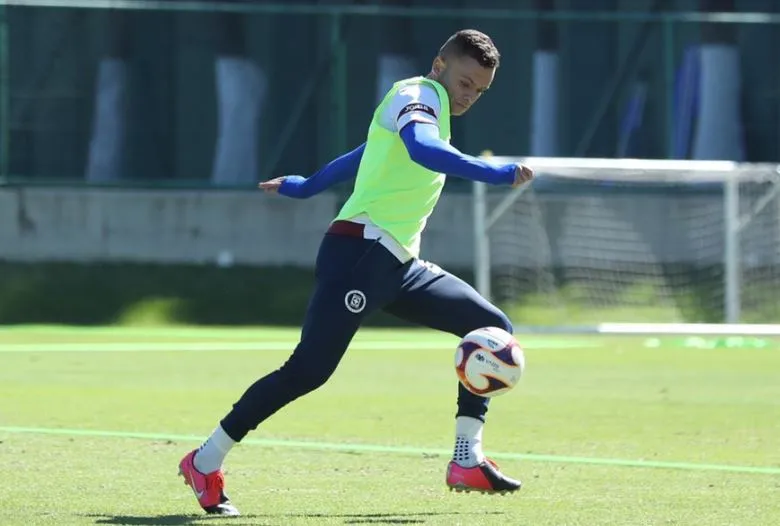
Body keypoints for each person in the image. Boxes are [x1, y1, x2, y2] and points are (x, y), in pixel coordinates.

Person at [178, 28, 534, 516]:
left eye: (479, 90)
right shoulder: (417, 95)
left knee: (491, 327)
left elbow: (365, 153)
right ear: (439, 66)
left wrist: (306, 186)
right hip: (359, 256)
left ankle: (465, 457)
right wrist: (494, 174)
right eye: (465, 82)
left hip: (398, 264)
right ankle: (204, 460)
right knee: (307, 371)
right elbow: (421, 150)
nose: (469, 95)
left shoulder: (430, 109)